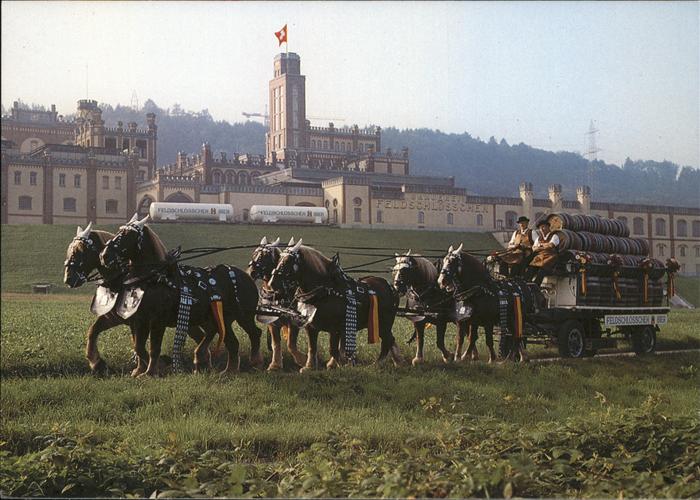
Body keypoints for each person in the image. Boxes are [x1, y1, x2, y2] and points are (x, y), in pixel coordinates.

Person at [526, 219, 560, 286]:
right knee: (531, 268)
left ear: (548, 227)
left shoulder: (554, 236)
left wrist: (540, 245)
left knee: (542, 270)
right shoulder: (538, 238)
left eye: (544, 227)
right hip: (540, 257)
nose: (542, 229)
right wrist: (544, 245)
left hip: (550, 257)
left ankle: (536, 286)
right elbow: (534, 249)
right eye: (540, 228)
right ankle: (527, 284)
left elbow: (551, 246)